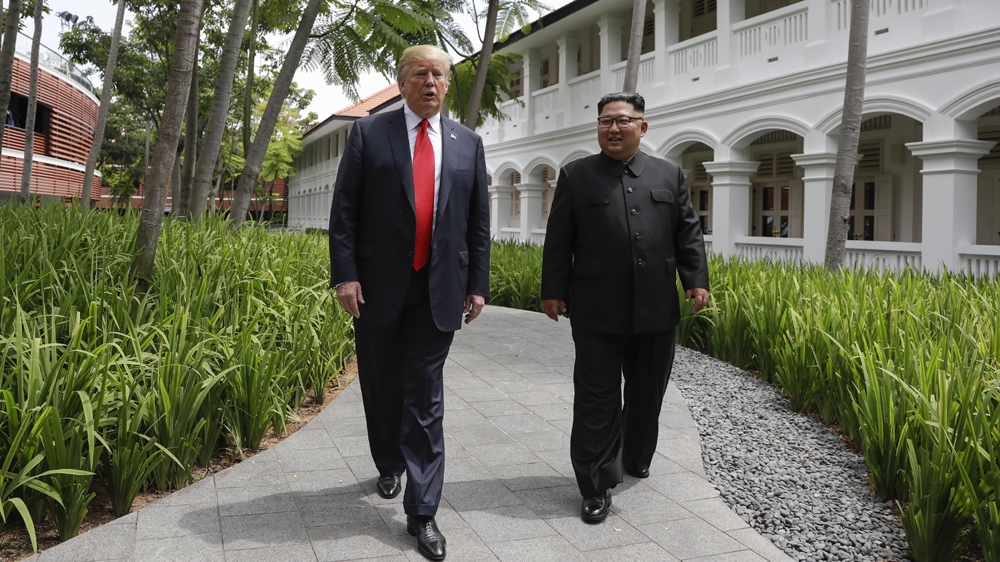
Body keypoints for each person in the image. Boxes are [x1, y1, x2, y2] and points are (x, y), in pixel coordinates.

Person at [329, 44, 491, 561]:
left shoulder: (467, 142)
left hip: (438, 289)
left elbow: (477, 221)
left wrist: (478, 283)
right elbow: (345, 209)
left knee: (424, 394)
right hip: (377, 286)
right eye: (420, 73)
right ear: (401, 83)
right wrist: (345, 276)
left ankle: (423, 513)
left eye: (439, 74)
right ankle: (388, 461)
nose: (431, 82)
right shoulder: (369, 133)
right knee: (382, 385)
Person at [540, 92, 710, 524]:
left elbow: (688, 232)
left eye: (623, 120)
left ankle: (635, 455)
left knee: (648, 390)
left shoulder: (669, 174)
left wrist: (696, 279)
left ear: (642, 126)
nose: (613, 128)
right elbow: (559, 238)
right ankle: (595, 484)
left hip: (656, 305)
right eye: (605, 121)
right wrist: (552, 290)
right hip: (596, 307)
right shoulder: (577, 175)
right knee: (596, 397)